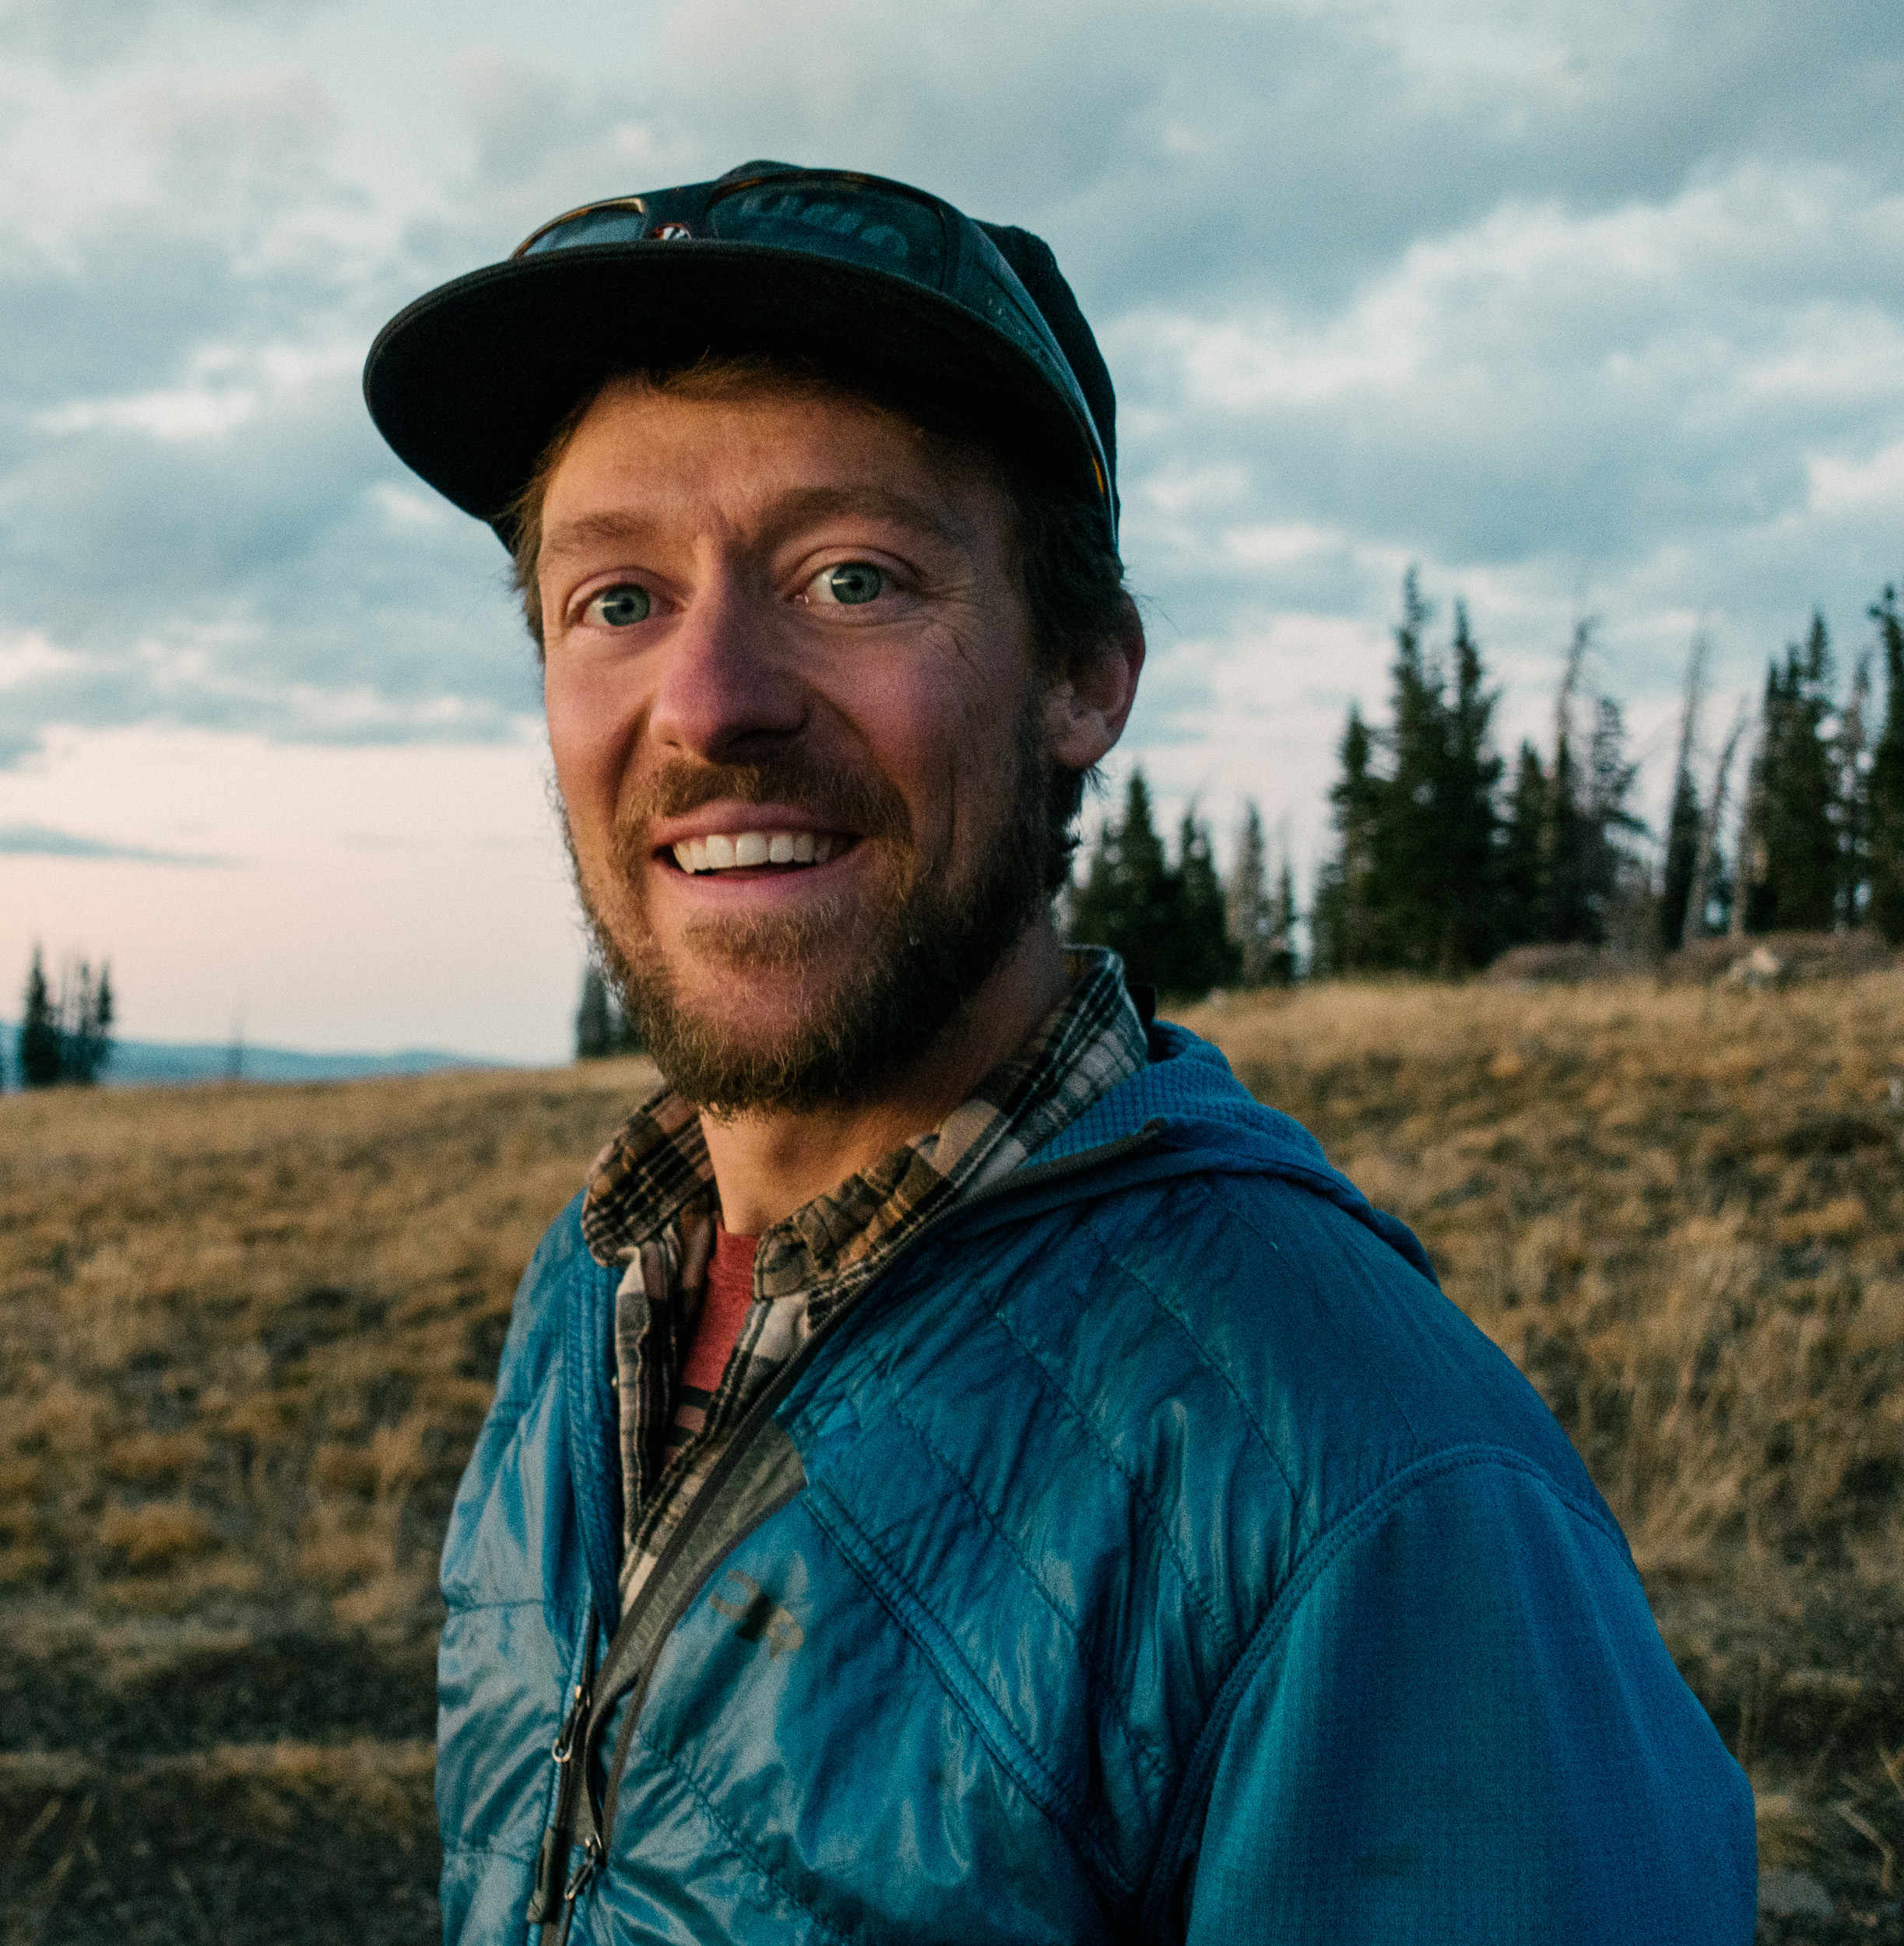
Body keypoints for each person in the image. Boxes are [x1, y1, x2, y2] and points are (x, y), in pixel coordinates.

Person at [365, 161, 1756, 1944]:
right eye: (614, 600)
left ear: (1083, 676)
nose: (710, 698)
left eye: (851, 575)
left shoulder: (1372, 1494)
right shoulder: (596, 1298)